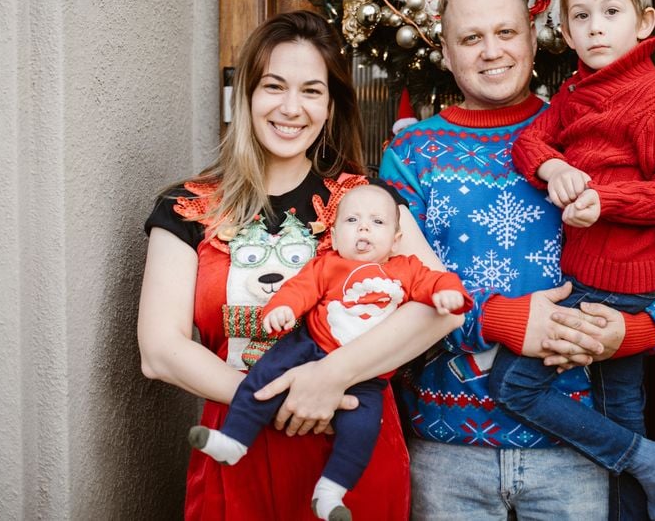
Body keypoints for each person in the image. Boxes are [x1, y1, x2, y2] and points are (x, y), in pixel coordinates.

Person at [377, 0, 655, 520]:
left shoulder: (585, 129)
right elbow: (387, 282)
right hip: (449, 453)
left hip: (576, 453)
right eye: (470, 38)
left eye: (506, 32)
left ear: (534, 36)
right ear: (446, 53)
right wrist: (499, 320)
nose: (491, 51)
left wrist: (635, 329)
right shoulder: (412, 154)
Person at [138, 10, 463, 520]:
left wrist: (328, 380)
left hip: (350, 446)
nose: (292, 108)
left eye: (311, 91)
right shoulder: (187, 208)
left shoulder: (364, 203)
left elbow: (443, 310)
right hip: (238, 445)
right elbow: (159, 351)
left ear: (330, 105)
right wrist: (279, 399)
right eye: (274, 86)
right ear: (245, 95)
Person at [489, 0, 655, 521]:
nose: (595, 27)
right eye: (580, 17)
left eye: (611, 12)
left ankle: (647, 460)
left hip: (624, 282)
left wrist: (603, 201)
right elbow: (531, 142)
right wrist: (555, 169)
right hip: (589, 273)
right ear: (564, 28)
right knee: (620, 411)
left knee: (515, 385)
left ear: (644, 23)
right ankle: (644, 467)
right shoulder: (576, 93)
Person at [188, 184, 472, 520]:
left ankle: (331, 491)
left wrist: (449, 294)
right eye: (352, 220)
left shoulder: (406, 269)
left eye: (377, 223)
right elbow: (299, 290)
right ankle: (233, 441)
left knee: (362, 429)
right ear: (335, 237)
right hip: (310, 346)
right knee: (263, 374)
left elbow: (440, 282)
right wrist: (282, 310)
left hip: (366, 374)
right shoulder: (328, 265)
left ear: (396, 241)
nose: (364, 228)